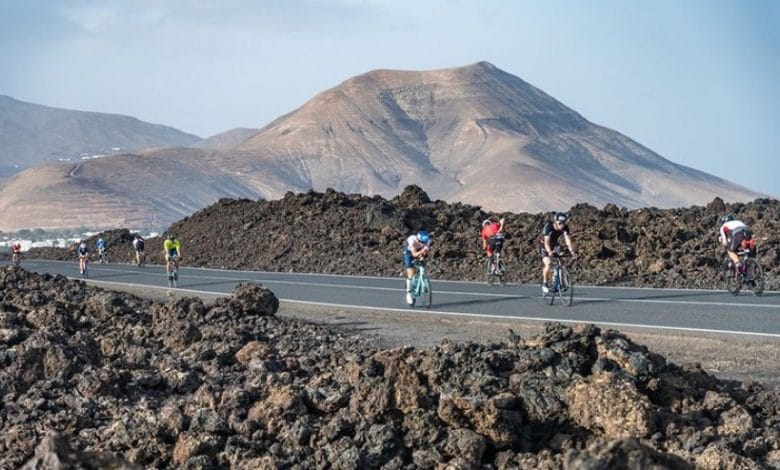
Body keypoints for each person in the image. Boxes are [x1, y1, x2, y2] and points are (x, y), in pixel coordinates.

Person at [540, 212, 576, 293]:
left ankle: (559, 278)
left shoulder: (565, 227)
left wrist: (572, 251)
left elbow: (568, 240)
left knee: (562, 259)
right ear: (555, 222)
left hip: (555, 244)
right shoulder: (548, 227)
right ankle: (545, 283)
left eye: (564, 223)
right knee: (548, 264)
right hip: (545, 245)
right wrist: (549, 252)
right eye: (560, 223)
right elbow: (546, 242)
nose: (562, 225)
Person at [403, 229, 432, 305]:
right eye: (421, 242)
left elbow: (425, 252)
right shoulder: (412, 240)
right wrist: (422, 251)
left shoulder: (428, 241)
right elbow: (414, 255)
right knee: (411, 271)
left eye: (424, 242)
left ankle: (422, 279)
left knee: (423, 263)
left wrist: (424, 254)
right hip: (409, 251)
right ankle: (408, 292)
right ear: (418, 240)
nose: (423, 244)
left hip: (418, 250)